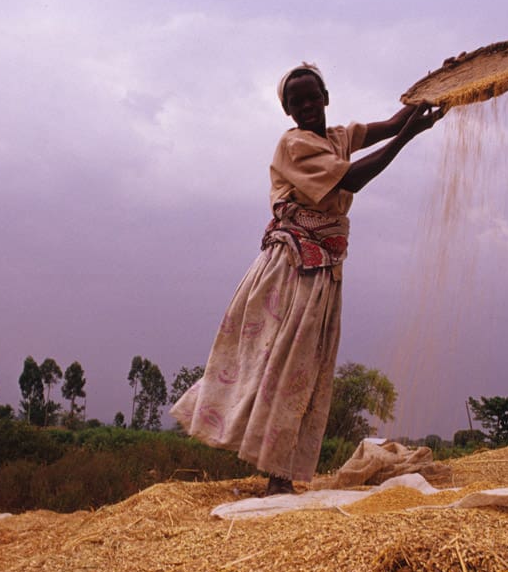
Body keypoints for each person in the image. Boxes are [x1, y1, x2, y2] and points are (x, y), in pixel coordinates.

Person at [170, 62, 442, 495]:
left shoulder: (337, 138)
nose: (308, 105)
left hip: (322, 267)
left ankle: (281, 472)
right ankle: (275, 475)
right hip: (292, 267)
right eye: (297, 102)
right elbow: (353, 176)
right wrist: (410, 136)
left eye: (314, 96)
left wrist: (434, 95)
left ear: (327, 97)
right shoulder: (294, 145)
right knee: (283, 361)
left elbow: (390, 124)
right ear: (288, 111)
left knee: (304, 368)